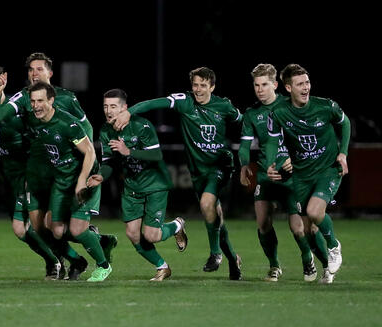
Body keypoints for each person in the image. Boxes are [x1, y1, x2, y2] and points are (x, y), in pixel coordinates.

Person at [0, 52, 117, 280]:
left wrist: (80, 168)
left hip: (69, 170)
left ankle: (92, 252)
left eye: (39, 69)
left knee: (63, 227)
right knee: (43, 227)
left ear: (50, 73)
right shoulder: (23, 98)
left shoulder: (66, 100)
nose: (34, 73)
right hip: (44, 172)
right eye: (30, 69)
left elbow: (85, 132)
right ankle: (81, 253)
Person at [113, 67, 242, 280]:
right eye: (195, 85)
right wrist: (130, 111)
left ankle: (215, 253)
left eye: (203, 85)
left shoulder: (224, 106)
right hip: (198, 171)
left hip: (219, 166)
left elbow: (244, 122)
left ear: (212, 86)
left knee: (207, 205)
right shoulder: (185, 102)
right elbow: (156, 102)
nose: (198, 89)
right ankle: (232, 259)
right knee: (213, 213)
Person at [87, 89, 188, 281]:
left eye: (114, 106)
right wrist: (101, 176)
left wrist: (129, 151)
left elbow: (156, 156)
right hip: (132, 187)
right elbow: (108, 161)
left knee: (151, 235)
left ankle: (176, 226)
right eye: (105, 106)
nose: (108, 111)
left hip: (155, 184)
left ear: (125, 108)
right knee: (132, 234)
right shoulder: (105, 130)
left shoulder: (142, 126)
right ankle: (162, 267)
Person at [239, 64, 328, 282]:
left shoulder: (290, 105)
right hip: (266, 174)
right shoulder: (252, 114)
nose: (259, 90)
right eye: (256, 85)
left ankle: (309, 258)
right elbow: (244, 146)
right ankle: (274, 266)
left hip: (293, 175)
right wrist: (244, 166)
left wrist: (295, 161)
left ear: (276, 85)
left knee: (299, 229)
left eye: (264, 85)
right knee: (263, 221)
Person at [18, 82, 114, 282]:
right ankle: (100, 240)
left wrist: (81, 182)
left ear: (51, 101)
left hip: (84, 178)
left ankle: (104, 266)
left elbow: (90, 152)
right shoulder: (35, 121)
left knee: (78, 229)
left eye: (41, 101)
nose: (36, 105)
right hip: (61, 181)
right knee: (55, 229)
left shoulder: (66, 123)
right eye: (33, 101)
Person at [266, 64, 350, 284]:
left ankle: (334, 246)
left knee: (314, 211)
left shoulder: (325, 106)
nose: (305, 88)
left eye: (307, 82)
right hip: (302, 175)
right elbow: (273, 142)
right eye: (300, 84)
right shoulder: (279, 113)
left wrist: (342, 154)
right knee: (308, 231)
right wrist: (272, 163)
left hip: (328, 169)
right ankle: (326, 268)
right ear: (287, 88)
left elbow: (346, 123)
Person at [0, 65, 62, 279]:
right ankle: (54, 259)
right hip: (11, 179)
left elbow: (37, 142)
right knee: (24, 230)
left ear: (1, 84)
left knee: (32, 226)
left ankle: (59, 259)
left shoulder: (15, 111)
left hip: (29, 176)